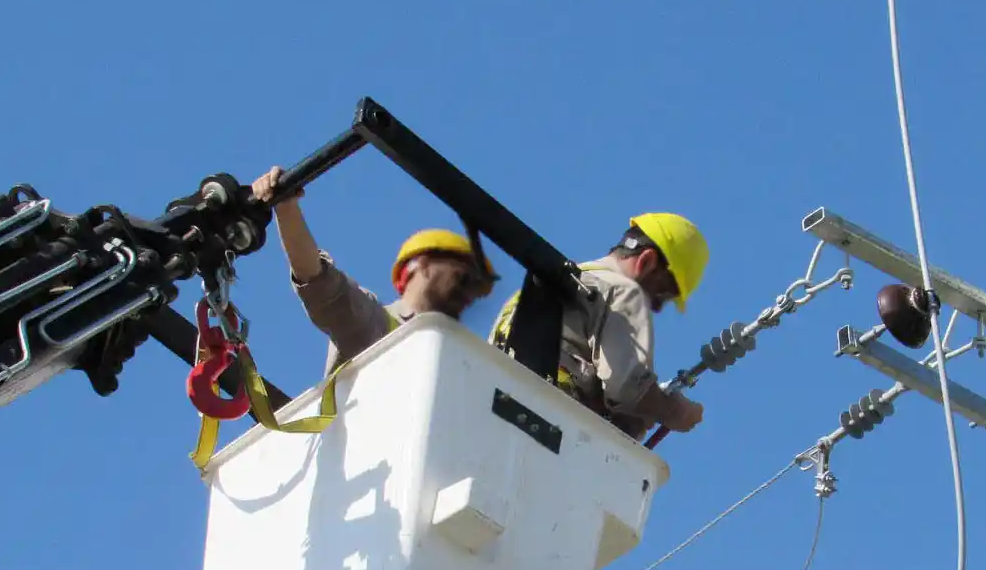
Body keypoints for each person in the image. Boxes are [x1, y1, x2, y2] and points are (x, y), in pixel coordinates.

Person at [251, 166, 499, 375]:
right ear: (420, 265)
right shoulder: (377, 325)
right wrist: (285, 206)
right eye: (464, 278)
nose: (469, 294)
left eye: (476, 288)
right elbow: (318, 283)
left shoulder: (458, 362)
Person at [489, 212, 707, 440]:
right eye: (663, 293)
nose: (658, 308)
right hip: (544, 425)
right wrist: (675, 411)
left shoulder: (534, 292)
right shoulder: (623, 291)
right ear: (647, 261)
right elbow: (628, 391)